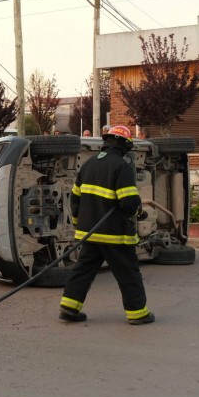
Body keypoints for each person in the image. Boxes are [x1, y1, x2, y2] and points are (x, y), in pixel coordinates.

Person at [59, 125, 154, 325]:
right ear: (126, 145)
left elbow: (74, 200)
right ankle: (138, 314)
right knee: (128, 274)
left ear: (106, 142)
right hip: (114, 235)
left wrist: (79, 225)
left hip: (89, 233)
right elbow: (128, 202)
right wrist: (138, 211)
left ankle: (68, 308)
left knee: (83, 271)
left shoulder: (88, 164)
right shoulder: (122, 166)